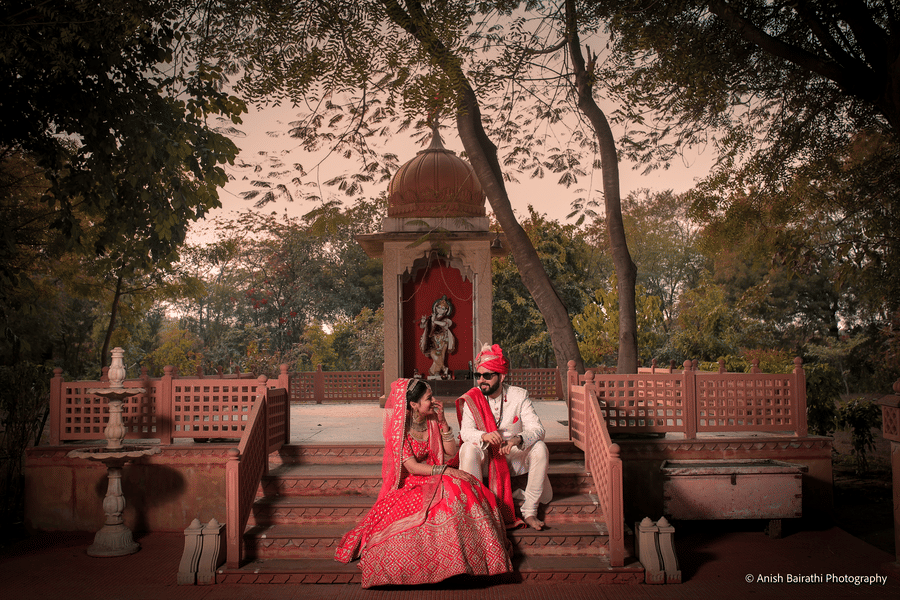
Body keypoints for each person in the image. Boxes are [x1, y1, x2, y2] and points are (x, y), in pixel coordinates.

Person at [335, 378, 512, 588]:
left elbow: (450, 452)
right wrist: (446, 470)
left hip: (437, 476)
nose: (433, 401)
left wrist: (443, 422)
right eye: (428, 398)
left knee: (468, 488)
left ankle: (475, 560)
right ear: (413, 404)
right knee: (447, 496)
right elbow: (412, 467)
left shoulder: (432, 421)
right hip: (415, 483)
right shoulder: (401, 430)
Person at [457, 344, 553, 530]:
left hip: (512, 455)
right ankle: (478, 512)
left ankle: (530, 511)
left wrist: (517, 439)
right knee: (467, 448)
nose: (481, 381)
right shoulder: (472, 398)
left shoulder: (519, 396)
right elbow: (465, 432)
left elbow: (538, 429)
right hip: (486, 458)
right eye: (479, 376)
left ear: (502, 376)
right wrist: (484, 435)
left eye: (487, 376)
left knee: (540, 447)